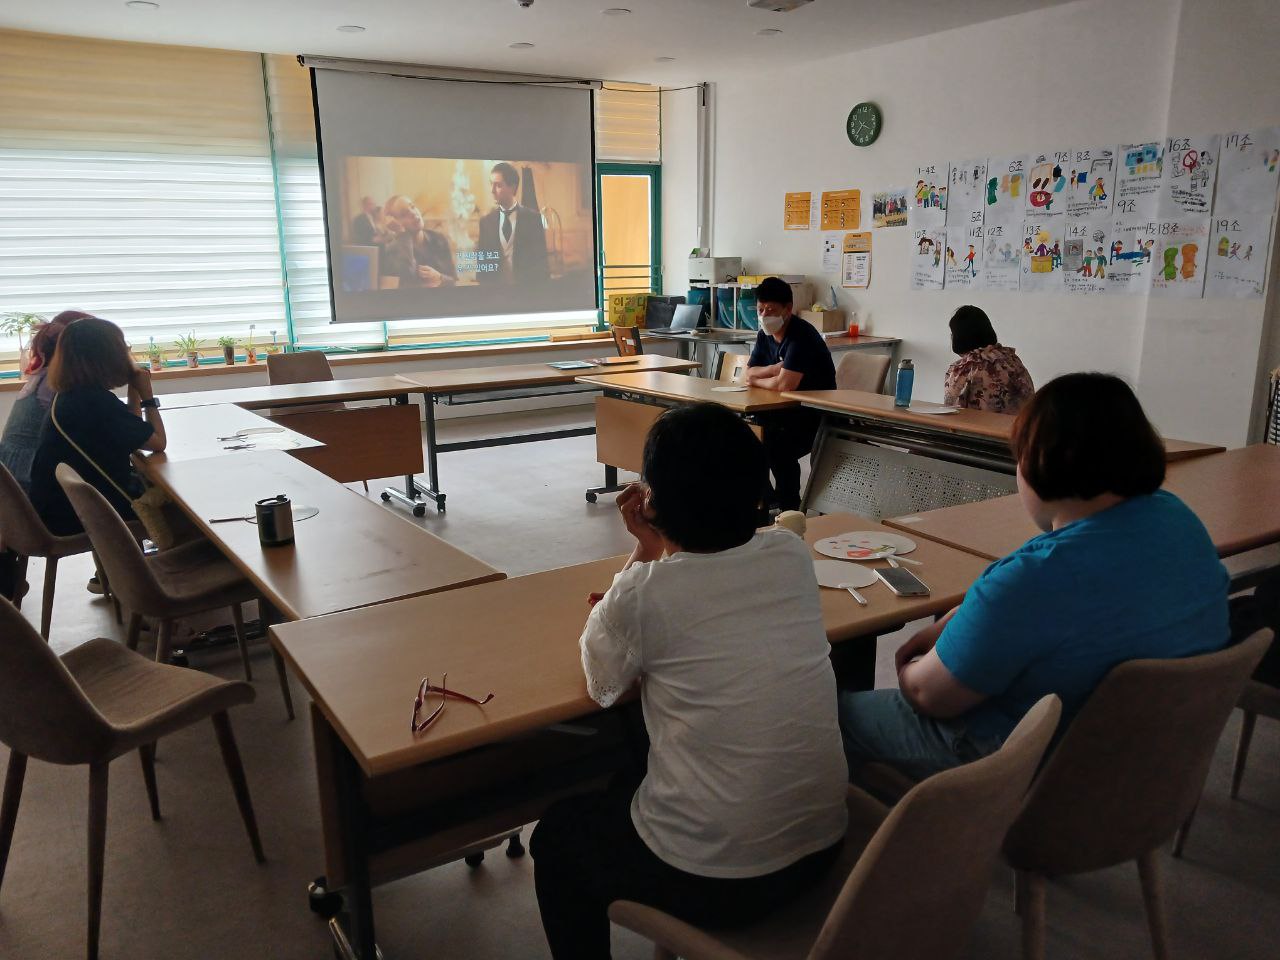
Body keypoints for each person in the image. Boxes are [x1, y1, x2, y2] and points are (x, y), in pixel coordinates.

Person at [531, 403, 847, 960]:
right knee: (628, 774)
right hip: (824, 851)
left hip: (721, 881)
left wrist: (642, 551)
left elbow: (601, 682)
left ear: (653, 501)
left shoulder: (646, 593)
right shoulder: (791, 554)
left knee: (558, 836)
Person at [839, 373, 1230, 782]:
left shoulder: (1036, 577)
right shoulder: (1180, 521)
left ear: (1038, 461)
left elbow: (929, 696)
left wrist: (908, 668)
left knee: (833, 718)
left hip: (1032, 777)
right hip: (1141, 771)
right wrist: (971, 616)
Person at [29, 315, 167, 539]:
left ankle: (117, 571)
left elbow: (133, 435)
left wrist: (135, 391)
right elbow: (158, 443)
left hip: (55, 507)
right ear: (107, 357)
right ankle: (161, 569)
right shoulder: (96, 402)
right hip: (78, 516)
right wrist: (148, 398)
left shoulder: (72, 395)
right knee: (185, 511)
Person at [0, 311, 85, 600]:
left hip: (13, 504)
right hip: (35, 503)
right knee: (128, 495)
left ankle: (112, 575)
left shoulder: (38, 379)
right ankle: (132, 578)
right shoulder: (61, 388)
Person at [743, 276, 836, 511]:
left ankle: (789, 506)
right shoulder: (765, 333)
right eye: (761, 309)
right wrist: (774, 369)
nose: (764, 316)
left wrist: (762, 378)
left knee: (774, 445)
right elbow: (749, 373)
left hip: (813, 415)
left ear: (788, 309)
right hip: (779, 412)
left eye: (771, 310)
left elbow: (785, 385)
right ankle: (766, 501)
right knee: (743, 437)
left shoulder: (802, 336)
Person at [942, 305, 1034, 414]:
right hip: (1020, 428)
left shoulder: (963, 370)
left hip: (978, 430)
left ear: (958, 337)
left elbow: (951, 410)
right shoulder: (1011, 359)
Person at [476, 162, 549, 284]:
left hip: (525, 293)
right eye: (491, 184)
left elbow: (542, 265)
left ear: (513, 187)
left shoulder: (533, 219)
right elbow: (482, 265)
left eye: (498, 185)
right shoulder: (486, 222)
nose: (492, 190)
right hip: (495, 295)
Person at [379, 194, 457, 288]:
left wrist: (439, 277)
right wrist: (402, 234)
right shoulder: (392, 250)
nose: (413, 213)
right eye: (404, 214)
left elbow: (453, 280)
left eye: (412, 207)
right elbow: (407, 279)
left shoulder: (439, 239)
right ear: (394, 223)